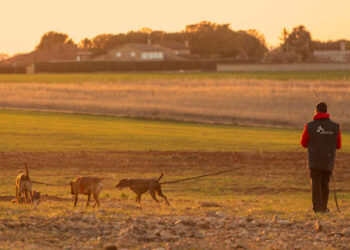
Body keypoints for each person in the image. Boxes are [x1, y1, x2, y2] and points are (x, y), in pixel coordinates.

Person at [300, 102, 341, 213]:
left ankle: (318, 209)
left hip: (314, 161)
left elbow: (303, 143)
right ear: (326, 111)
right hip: (328, 161)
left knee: (316, 185)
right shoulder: (335, 127)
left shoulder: (309, 126)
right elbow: (338, 145)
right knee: (325, 184)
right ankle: (324, 208)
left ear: (316, 111)